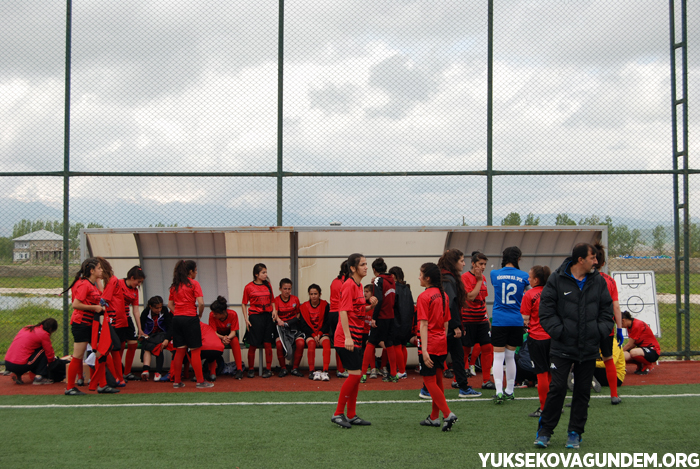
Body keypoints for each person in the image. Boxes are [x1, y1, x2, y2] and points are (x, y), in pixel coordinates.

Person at [535, 243, 614, 449]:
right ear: (581, 260)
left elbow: (607, 312)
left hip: (588, 348)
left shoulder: (598, 281)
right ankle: (544, 432)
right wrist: (561, 332)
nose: (596, 262)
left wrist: (597, 331)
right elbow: (546, 312)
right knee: (557, 388)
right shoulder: (557, 279)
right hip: (562, 347)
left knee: (582, 392)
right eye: (593, 258)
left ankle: (574, 433)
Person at [331, 253, 374, 429]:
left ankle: (351, 414)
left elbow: (356, 310)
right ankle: (338, 413)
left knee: (356, 378)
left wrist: (370, 307)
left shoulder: (359, 285)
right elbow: (343, 312)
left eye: (366, 264)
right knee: (355, 375)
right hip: (345, 339)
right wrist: (348, 337)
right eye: (362, 264)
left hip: (355, 337)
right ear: (353, 268)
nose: (366, 267)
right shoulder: (348, 285)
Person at [416, 262, 459, 431]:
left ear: (427, 278)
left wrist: (424, 350)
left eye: (420, 274)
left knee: (429, 381)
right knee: (438, 380)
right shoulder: (444, 295)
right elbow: (446, 323)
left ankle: (447, 414)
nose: (418, 277)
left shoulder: (424, 297)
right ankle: (434, 417)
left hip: (430, 343)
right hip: (441, 342)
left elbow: (424, 325)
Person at [439, 249, 481, 398]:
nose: (464, 263)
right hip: (447, 324)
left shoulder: (447, 277)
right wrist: (455, 324)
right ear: (453, 262)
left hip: (445, 323)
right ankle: (427, 387)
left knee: (452, 355)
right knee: (444, 356)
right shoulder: (448, 279)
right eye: (461, 260)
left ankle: (463, 386)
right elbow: (450, 303)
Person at [490, 246, 529, 403]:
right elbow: (529, 293)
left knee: (498, 358)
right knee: (510, 357)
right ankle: (510, 390)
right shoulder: (524, 276)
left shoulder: (495, 274)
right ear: (518, 259)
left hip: (499, 320)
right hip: (516, 320)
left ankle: (499, 391)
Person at [167, 260, 213, 389]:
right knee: (195, 351)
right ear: (190, 271)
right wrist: (198, 315)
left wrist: (178, 313)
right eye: (196, 270)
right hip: (190, 319)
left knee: (179, 351)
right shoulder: (194, 284)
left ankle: (177, 381)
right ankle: (200, 381)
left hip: (177, 320)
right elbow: (201, 303)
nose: (196, 273)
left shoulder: (174, 285)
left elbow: (170, 304)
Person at [63, 258, 106, 395]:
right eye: (99, 268)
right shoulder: (84, 284)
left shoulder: (91, 284)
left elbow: (100, 294)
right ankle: (70, 387)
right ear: (92, 271)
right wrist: (95, 307)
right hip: (81, 323)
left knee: (102, 351)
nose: (102, 270)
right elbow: (76, 304)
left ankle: (102, 384)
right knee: (78, 355)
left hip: (91, 324)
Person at [593, 243, 624, 405]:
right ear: (603, 263)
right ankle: (614, 395)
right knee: (608, 358)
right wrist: (619, 328)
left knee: (584, 360)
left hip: (588, 325)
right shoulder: (610, 281)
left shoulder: (583, 279)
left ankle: (582, 397)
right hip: (606, 326)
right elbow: (616, 306)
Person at [521, 265, 552, 417]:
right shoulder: (553, 292)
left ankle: (544, 407)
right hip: (553, 337)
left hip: (537, 338)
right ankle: (555, 405)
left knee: (541, 373)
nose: (528, 279)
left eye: (530, 277)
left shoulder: (529, 294)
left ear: (537, 279)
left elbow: (525, 320)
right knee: (553, 372)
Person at [361, 258, 398, 383]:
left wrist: (374, 318)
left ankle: (363, 374)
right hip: (390, 317)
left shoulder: (378, 280)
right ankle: (393, 373)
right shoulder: (392, 280)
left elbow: (378, 300)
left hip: (381, 317)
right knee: (389, 343)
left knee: (370, 343)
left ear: (374, 270)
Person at [462, 251, 495, 390]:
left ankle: (486, 380)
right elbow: (470, 296)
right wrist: (479, 280)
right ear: (473, 263)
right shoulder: (465, 278)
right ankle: (462, 379)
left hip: (481, 319)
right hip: (468, 319)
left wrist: (486, 317)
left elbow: (483, 299)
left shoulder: (484, 279)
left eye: (485, 264)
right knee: (465, 349)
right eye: (480, 264)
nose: (482, 267)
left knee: (487, 347)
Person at [242, 263, 277, 378]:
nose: (266, 275)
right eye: (263, 272)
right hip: (255, 317)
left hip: (267, 316)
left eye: (266, 272)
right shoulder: (248, 287)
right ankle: (251, 369)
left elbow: (272, 300)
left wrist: (274, 310)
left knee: (268, 343)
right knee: (253, 344)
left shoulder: (268, 285)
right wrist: (246, 319)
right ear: (256, 274)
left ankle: (268, 369)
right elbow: (244, 303)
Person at [4, 318, 58, 385]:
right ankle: (39, 377)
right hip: (20, 365)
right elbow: (49, 353)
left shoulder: (27, 327)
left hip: (8, 363)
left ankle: (17, 374)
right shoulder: (43, 334)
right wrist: (51, 363)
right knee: (43, 350)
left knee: (28, 351)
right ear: (50, 329)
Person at [298, 284, 331, 381]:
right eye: (311, 294)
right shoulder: (304, 307)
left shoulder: (325, 305)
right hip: (310, 334)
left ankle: (325, 371)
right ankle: (311, 371)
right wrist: (313, 335)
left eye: (315, 294)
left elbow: (327, 322)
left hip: (322, 333)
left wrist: (319, 334)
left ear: (320, 294)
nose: (313, 296)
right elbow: (303, 325)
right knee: (311, 344)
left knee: (326, 343)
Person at [119, 266, 146, 380]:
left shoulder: (135, 291)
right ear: (131, 277)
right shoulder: (118, 284)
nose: (139, 284)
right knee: (119, 345)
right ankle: (117, 373)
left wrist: (139, 328)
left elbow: (135, 310)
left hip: (126, 318)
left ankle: (127, 372)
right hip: (116, 318)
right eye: (138, 281)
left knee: (133, 344)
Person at [208, 296, 244, 380]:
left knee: (235, 341)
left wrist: (226, 338)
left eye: (216, 313)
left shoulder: (233, 314)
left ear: (223, 312)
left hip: (229, 335)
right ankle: (212, 372)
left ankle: (239, 370)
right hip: (217, 336)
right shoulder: (211, 316)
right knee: (212, 344)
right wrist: (222, 338)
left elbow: (234, 332)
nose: (214, 315)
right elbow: (213, 332)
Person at [273, 278, 302, 377]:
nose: (287, 291)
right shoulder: (276, 300)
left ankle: (295, 368)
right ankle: (283, 368)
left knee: (301, 343)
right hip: (280, 327)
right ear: (280, 289)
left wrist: (290, 322)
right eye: (285, 288)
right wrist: (280, 321)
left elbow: (298, 314)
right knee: (278, 344)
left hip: (293, 327)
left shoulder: (295, 299)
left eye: (289, 289)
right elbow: (275, 314)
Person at [389, 266, 414, 379]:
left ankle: (402, 370)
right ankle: (402, 369)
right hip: (407, 321)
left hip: (397, 320)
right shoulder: (407, 288)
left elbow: (392, 305)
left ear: (393, 276)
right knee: (403, 346)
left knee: (396, 346)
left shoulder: (394, 288)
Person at [140, 296, 172, 382]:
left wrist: (167, 339)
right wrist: (143, 334)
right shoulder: (145, 313)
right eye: (156, 308)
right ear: (150, 306)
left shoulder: (164, 310)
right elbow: (142, 328)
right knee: (147, 344)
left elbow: (170, 326)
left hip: (162, 335)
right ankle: (148, 371)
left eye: (160, 307)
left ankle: (154, 371)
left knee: (157, 345)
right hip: (150, 336)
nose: (159, 310)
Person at [329, 261, 348, 378]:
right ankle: (341, 369)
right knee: (342, 342)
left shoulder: (334, 281)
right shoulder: (347, 283)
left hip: (333, 313)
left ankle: (341, 368)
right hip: (341, 313)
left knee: (339, 342)